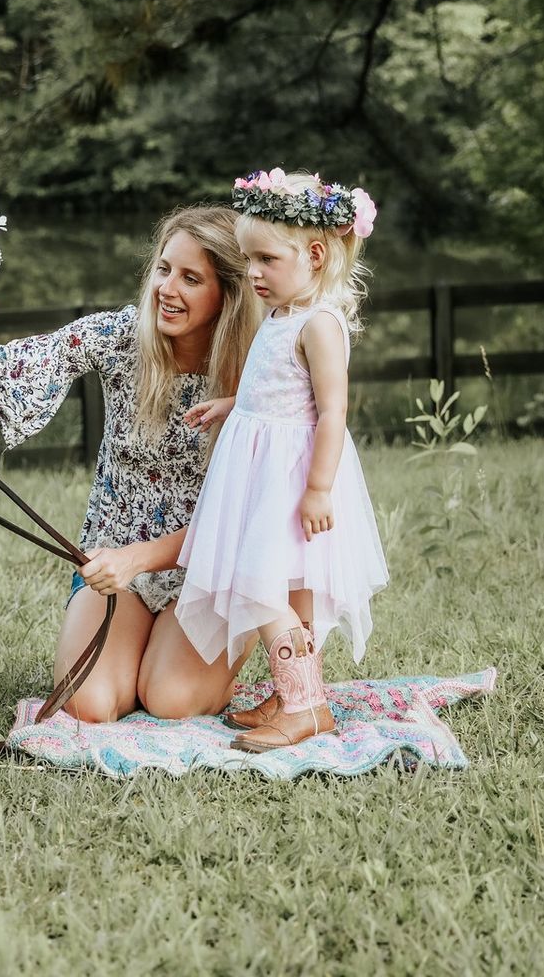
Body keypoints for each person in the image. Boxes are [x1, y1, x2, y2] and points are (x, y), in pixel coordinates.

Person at [0, 207, 262, 721]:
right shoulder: (126, 337)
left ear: (228, 296)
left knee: (171, 699)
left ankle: (197, 659)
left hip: (211, 574)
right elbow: (20, 361)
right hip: (114, 566)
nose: (167, 288)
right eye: (164, 269)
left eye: (191, 278)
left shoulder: (258, 370)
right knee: (89, 705)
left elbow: (244, 522)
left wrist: (136, 560)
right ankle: (147, 646)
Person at [175, 169, 388, 751]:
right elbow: (277, 388)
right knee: (293, 593)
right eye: (248, 259)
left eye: (266, 259)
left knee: (260, 586)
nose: (252, 273)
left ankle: (308, 707)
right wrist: (233, 405)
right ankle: (293, 691)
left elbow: (332, 414)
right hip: (260, 469)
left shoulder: (320, 324)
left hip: (293, 480)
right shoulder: (283, 313)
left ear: (315, 254)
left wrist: (318, 489)